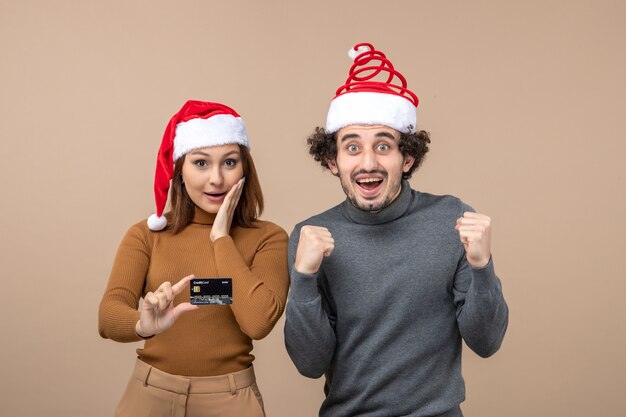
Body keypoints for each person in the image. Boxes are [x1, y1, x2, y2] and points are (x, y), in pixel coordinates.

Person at [284, 43, 509, 417]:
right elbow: (309, 364)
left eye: (383, 146)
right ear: (332, 161)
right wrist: (304, 277)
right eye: (352, 147)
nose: (368, 162)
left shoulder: (451, 220)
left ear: (407, 158)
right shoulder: (310, 235)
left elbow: (486, 342)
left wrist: (483, 267)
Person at [99, 100, 289, 417]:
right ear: (180, 171)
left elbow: (257, 322)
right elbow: (107, 316)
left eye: (229, 163)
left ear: (244, 169)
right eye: (201, 163)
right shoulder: (146, 235)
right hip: (149, 397)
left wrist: (220, 238)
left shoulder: (268, 238)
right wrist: (142, 326)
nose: (216, 178)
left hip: (229, 400)